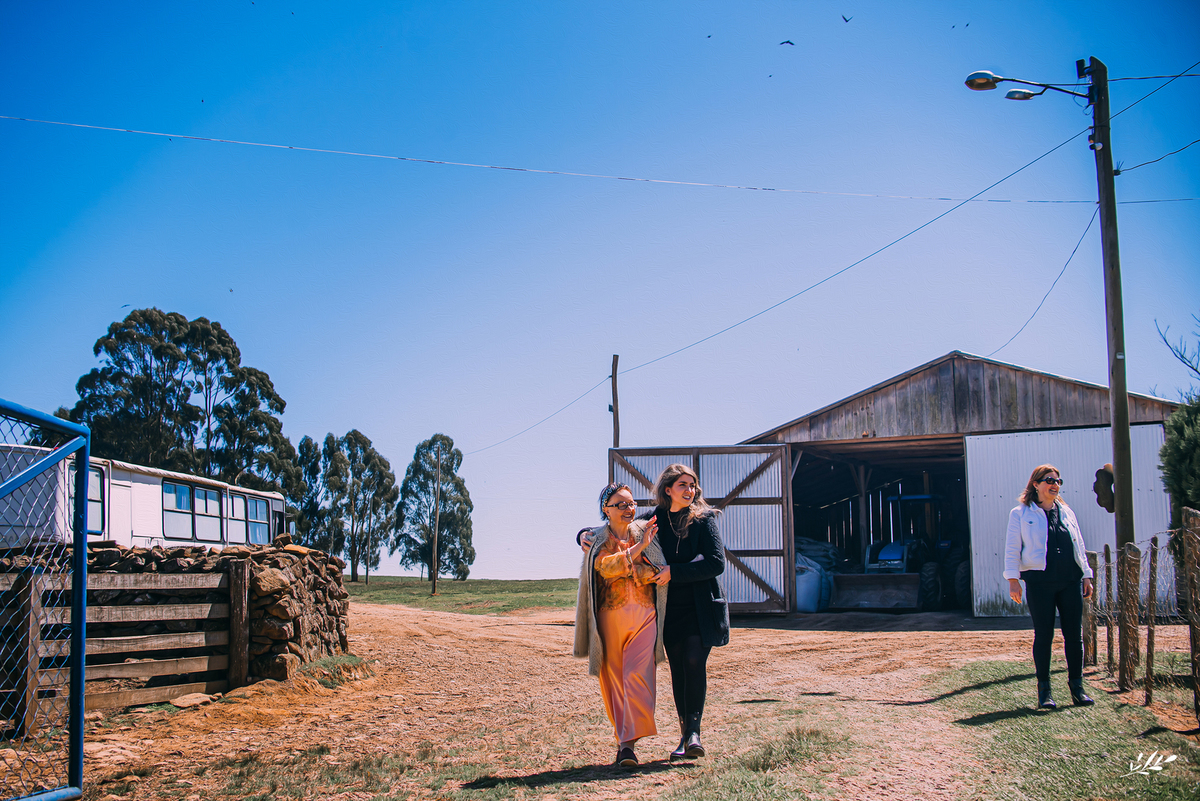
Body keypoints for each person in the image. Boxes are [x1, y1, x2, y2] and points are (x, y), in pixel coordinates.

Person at [579, 464, 729, 760]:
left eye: (693, 485)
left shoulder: (704, 520)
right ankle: (685, 736)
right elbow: (616, 528)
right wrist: (582, 534)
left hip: (700, 606)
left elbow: (716, 563)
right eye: (684, 485)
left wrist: (674, 571)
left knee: (693, 661)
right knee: (677, 670)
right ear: (668, 489)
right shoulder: (653, 520)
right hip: (670, 609)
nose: (691, 490)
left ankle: (694, 734)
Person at [573, 483, 669, 767]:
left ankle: (632, 736)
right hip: (610, 617)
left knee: (638, 676)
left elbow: (652, 570)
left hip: (644, 615)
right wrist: (638, 553)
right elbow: (606, 567)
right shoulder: (597, 539)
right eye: (621, 505)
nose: (629, 509)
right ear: (606, 510)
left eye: (631, 503)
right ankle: (625, 747)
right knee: (615, 680)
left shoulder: (644, 531)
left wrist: (634, 566)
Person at [1004, 464, 1096, 709]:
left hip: (1069, 580)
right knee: (1044, 635)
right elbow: (1012, 548)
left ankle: (1077, 688)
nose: (1055, 484)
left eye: (1058, 481)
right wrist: (1013, 579)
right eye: (1049, 480)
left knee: (1073, 636)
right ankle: (1045, 691)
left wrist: (1086, 574)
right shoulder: (1020, 513)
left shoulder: (1067, 512)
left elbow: (1079, 544)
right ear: (1036, 484)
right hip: (1039, 582)